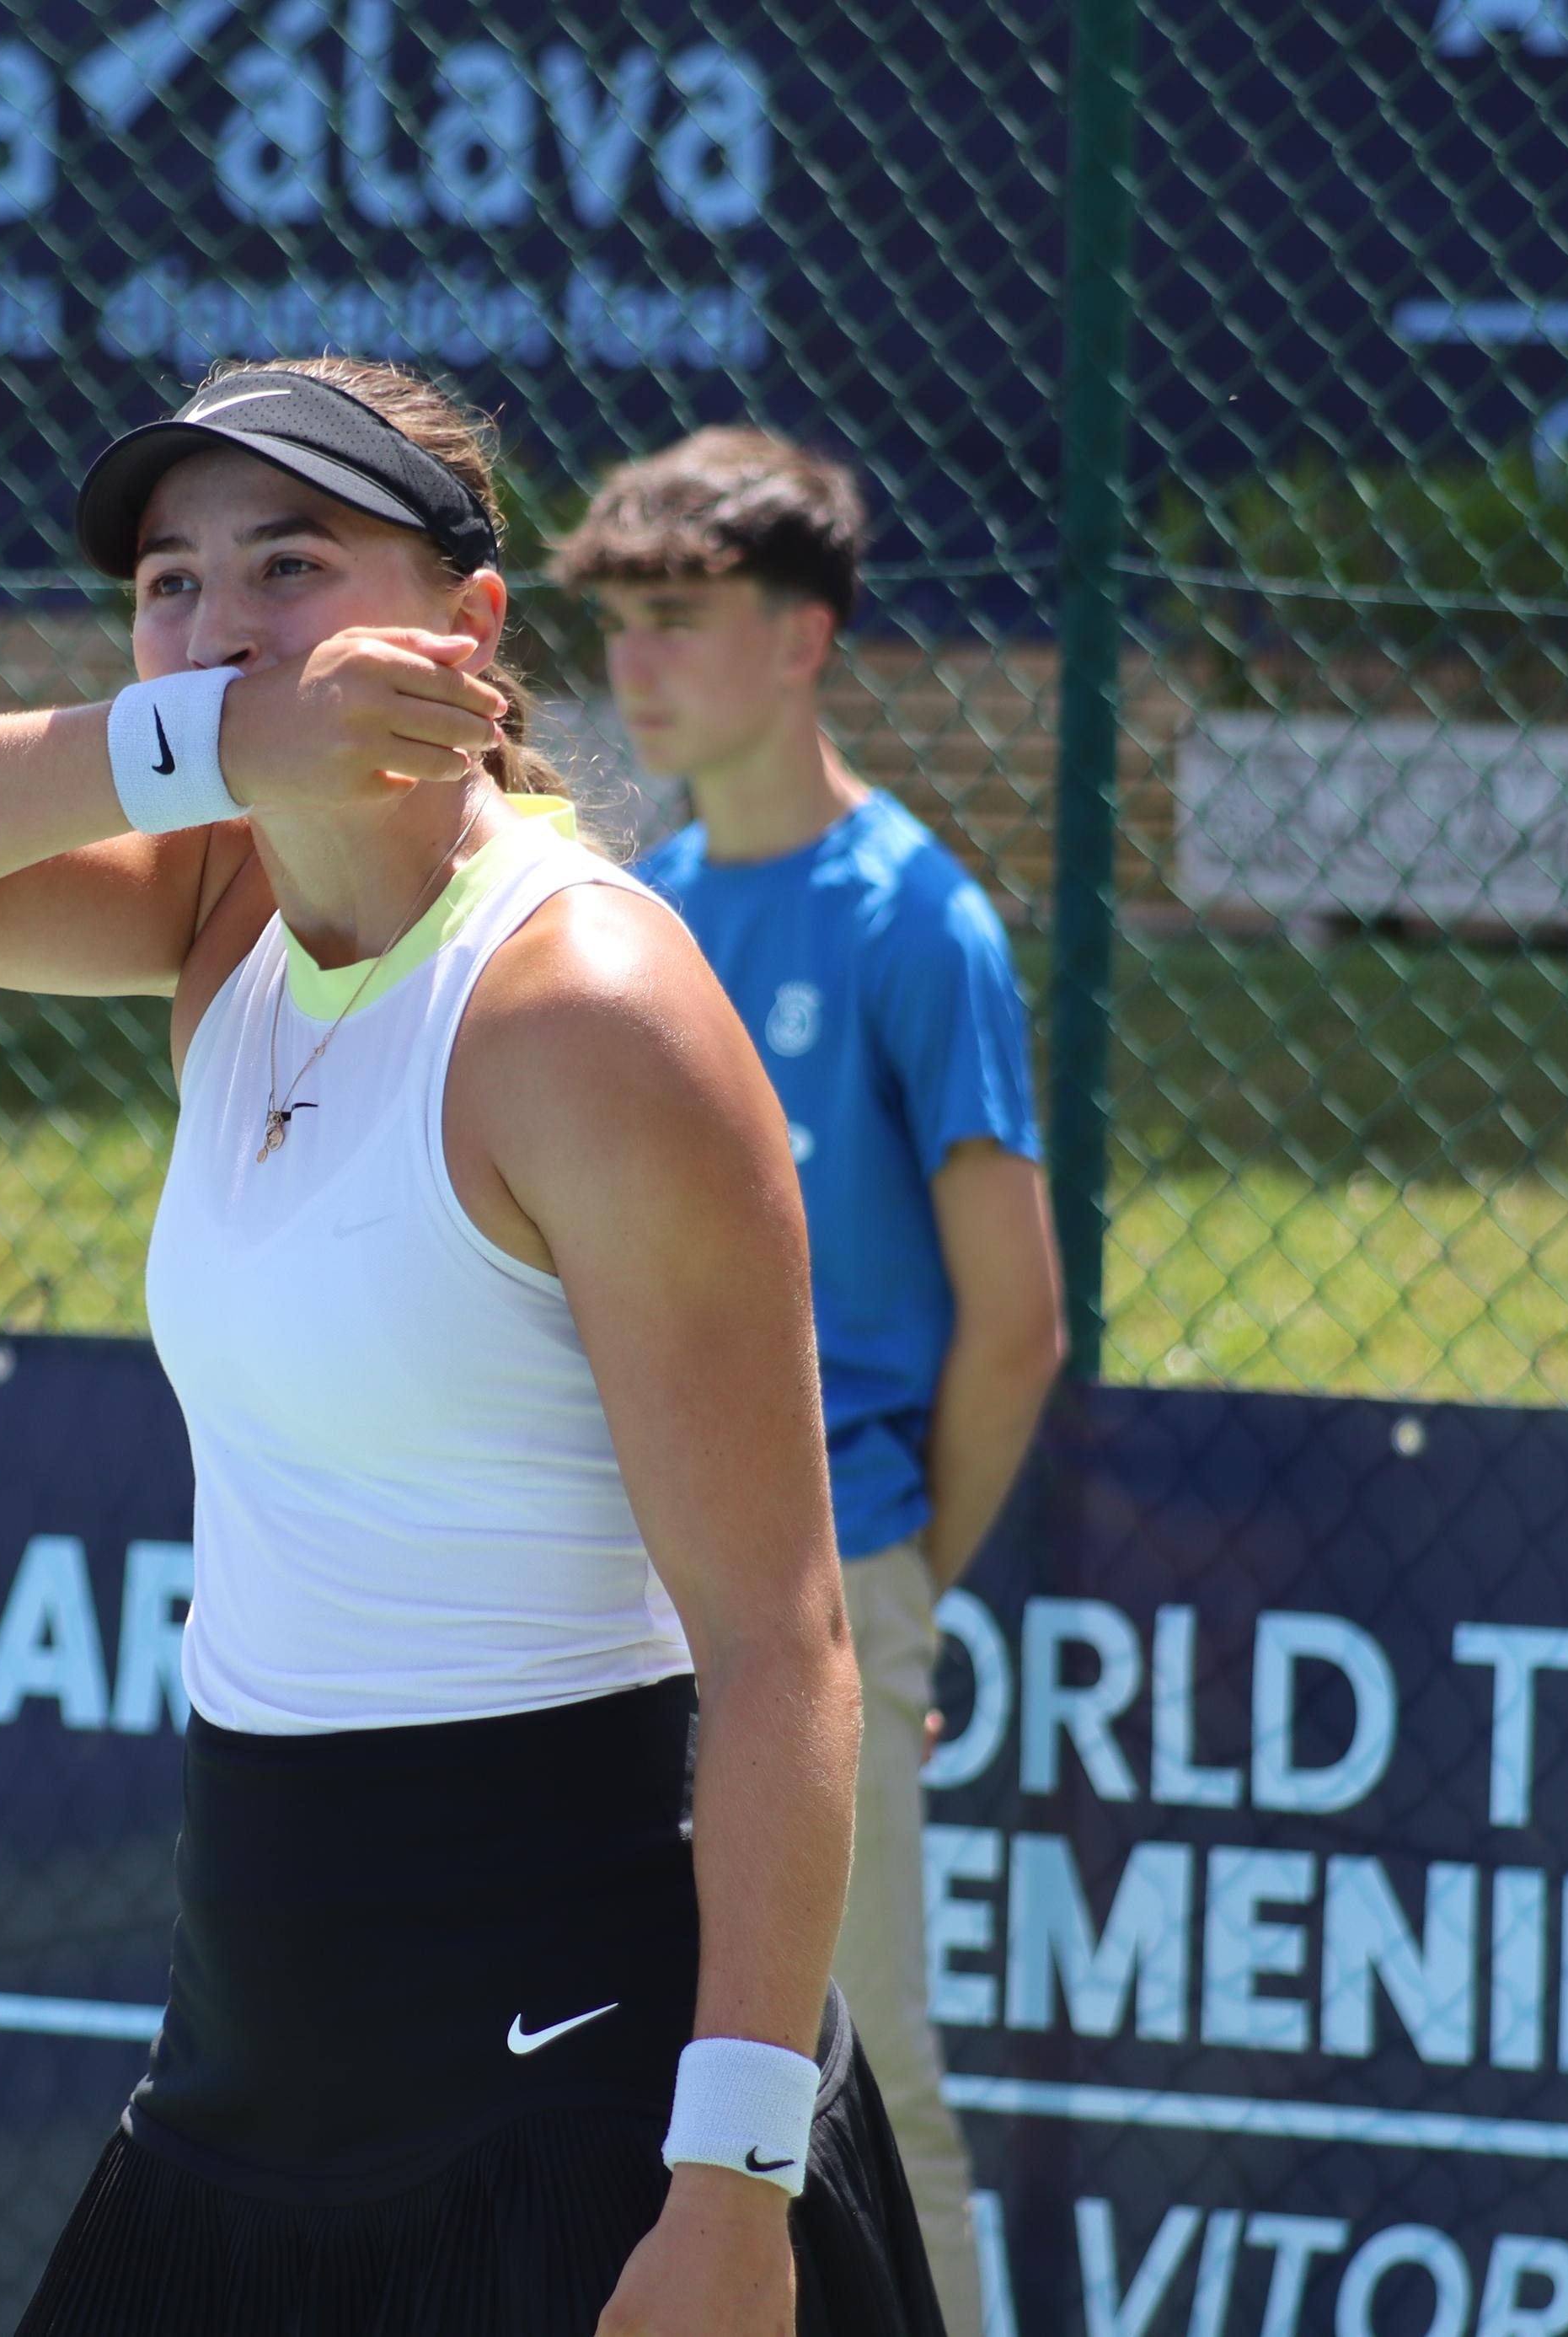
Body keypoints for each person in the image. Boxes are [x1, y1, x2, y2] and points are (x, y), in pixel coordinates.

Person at [0, 358, 946, 2337]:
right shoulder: (217, 910)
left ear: (464, 628)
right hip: (254, 2053)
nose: (215, 627)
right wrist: (198, 737)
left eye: (288, 564)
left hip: (584, 2079)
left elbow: (782, 1645)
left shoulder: (589, 1005)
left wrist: (727, 2186)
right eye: (168, 584)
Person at [558, 426, 1069, 2337]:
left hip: (817, 1585)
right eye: (619, 622)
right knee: (640, 2080)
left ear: (806, 639)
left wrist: (888, 1593)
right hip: (623, 1583)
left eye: (682, 620)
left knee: (859, 2082)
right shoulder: (644, 904)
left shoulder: (915, 918)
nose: (639, 664)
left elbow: (1011, 1321)